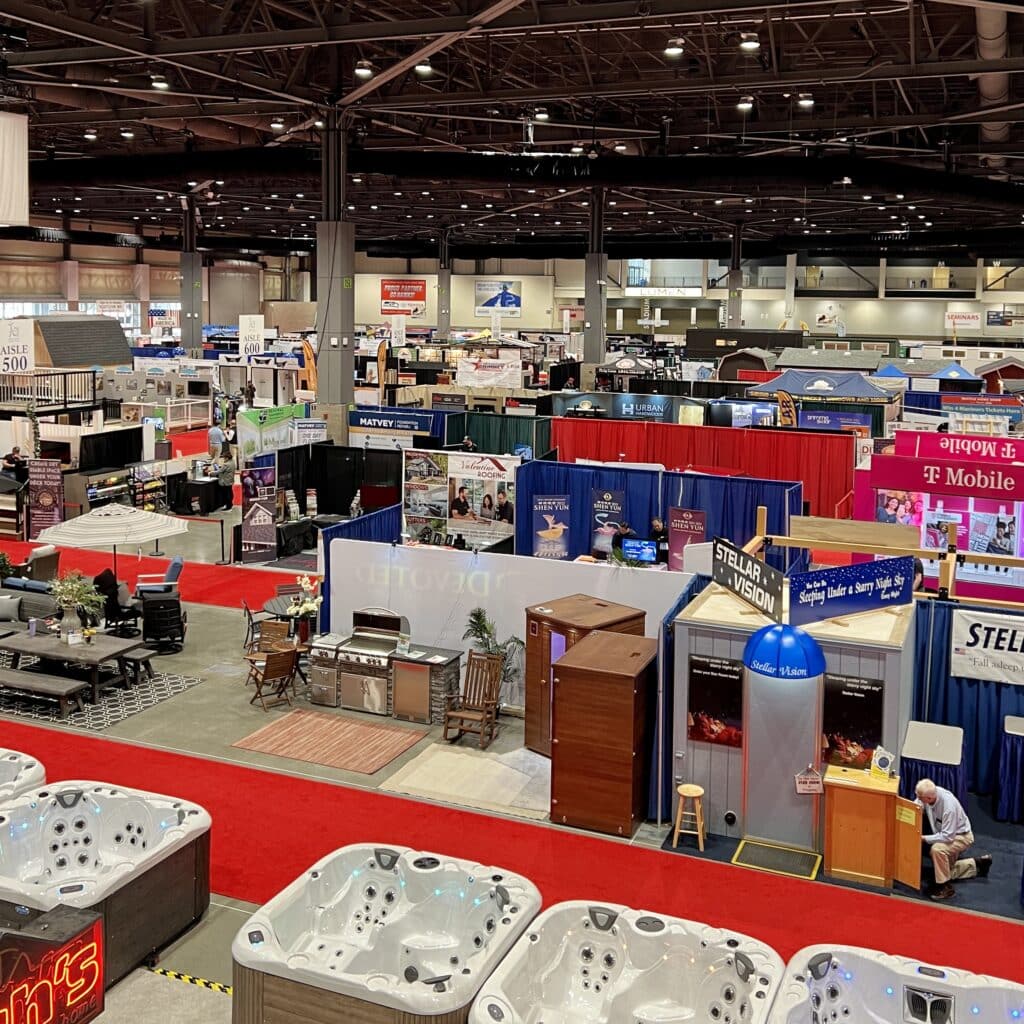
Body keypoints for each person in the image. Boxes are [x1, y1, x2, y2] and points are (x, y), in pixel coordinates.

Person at [914, 778, 991, 900]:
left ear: (929, 798)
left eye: (920, 797)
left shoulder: (948, 806)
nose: (918, 799)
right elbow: (916, 806)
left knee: (937, 850)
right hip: (946, 833)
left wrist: (923, 838)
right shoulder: (930, 794)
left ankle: (945, 887)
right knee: (944, 871)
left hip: (961, 836)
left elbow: (947, 836)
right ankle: (977, 864)